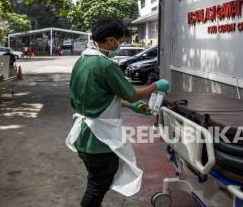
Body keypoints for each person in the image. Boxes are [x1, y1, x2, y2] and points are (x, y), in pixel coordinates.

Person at [66, 18, 170, 207]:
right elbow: (132, 93)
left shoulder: (82, 60)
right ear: (110, 40)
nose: (121, 45)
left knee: (97, 179)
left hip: (83, 134)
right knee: (98, 184)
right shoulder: (106, 66)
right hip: (99, 138)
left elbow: (96, 97)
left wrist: (130, 107)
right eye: (121, 41)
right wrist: (155, 85)